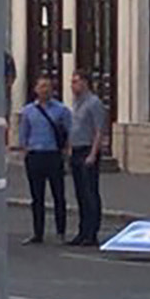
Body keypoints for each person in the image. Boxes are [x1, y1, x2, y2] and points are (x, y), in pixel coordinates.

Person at [18, 74, 71, 244]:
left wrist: (66, 153)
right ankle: (37, 233)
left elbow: (69, 132)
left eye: (48, 86)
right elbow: (23, 134)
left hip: (53, 155)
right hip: (35, 155)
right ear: (35, 90)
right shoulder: (28, 111)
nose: (45, 90)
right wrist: (25, 151)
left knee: (58, 195)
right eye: (41, 86)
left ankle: (60, 232)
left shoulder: (61, 110)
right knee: (36, 197)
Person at [67, 70, 107, 247]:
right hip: (76, 150)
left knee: (90, 192)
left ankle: (92, 232)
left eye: (76, 82)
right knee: (80, 193)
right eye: (72, 82)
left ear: (85, 83)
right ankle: (82, 231)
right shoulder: (76, 103)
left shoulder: (94, 103)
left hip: (87, 151)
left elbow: (99, 131)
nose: (72, 85)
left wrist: (93, 153)